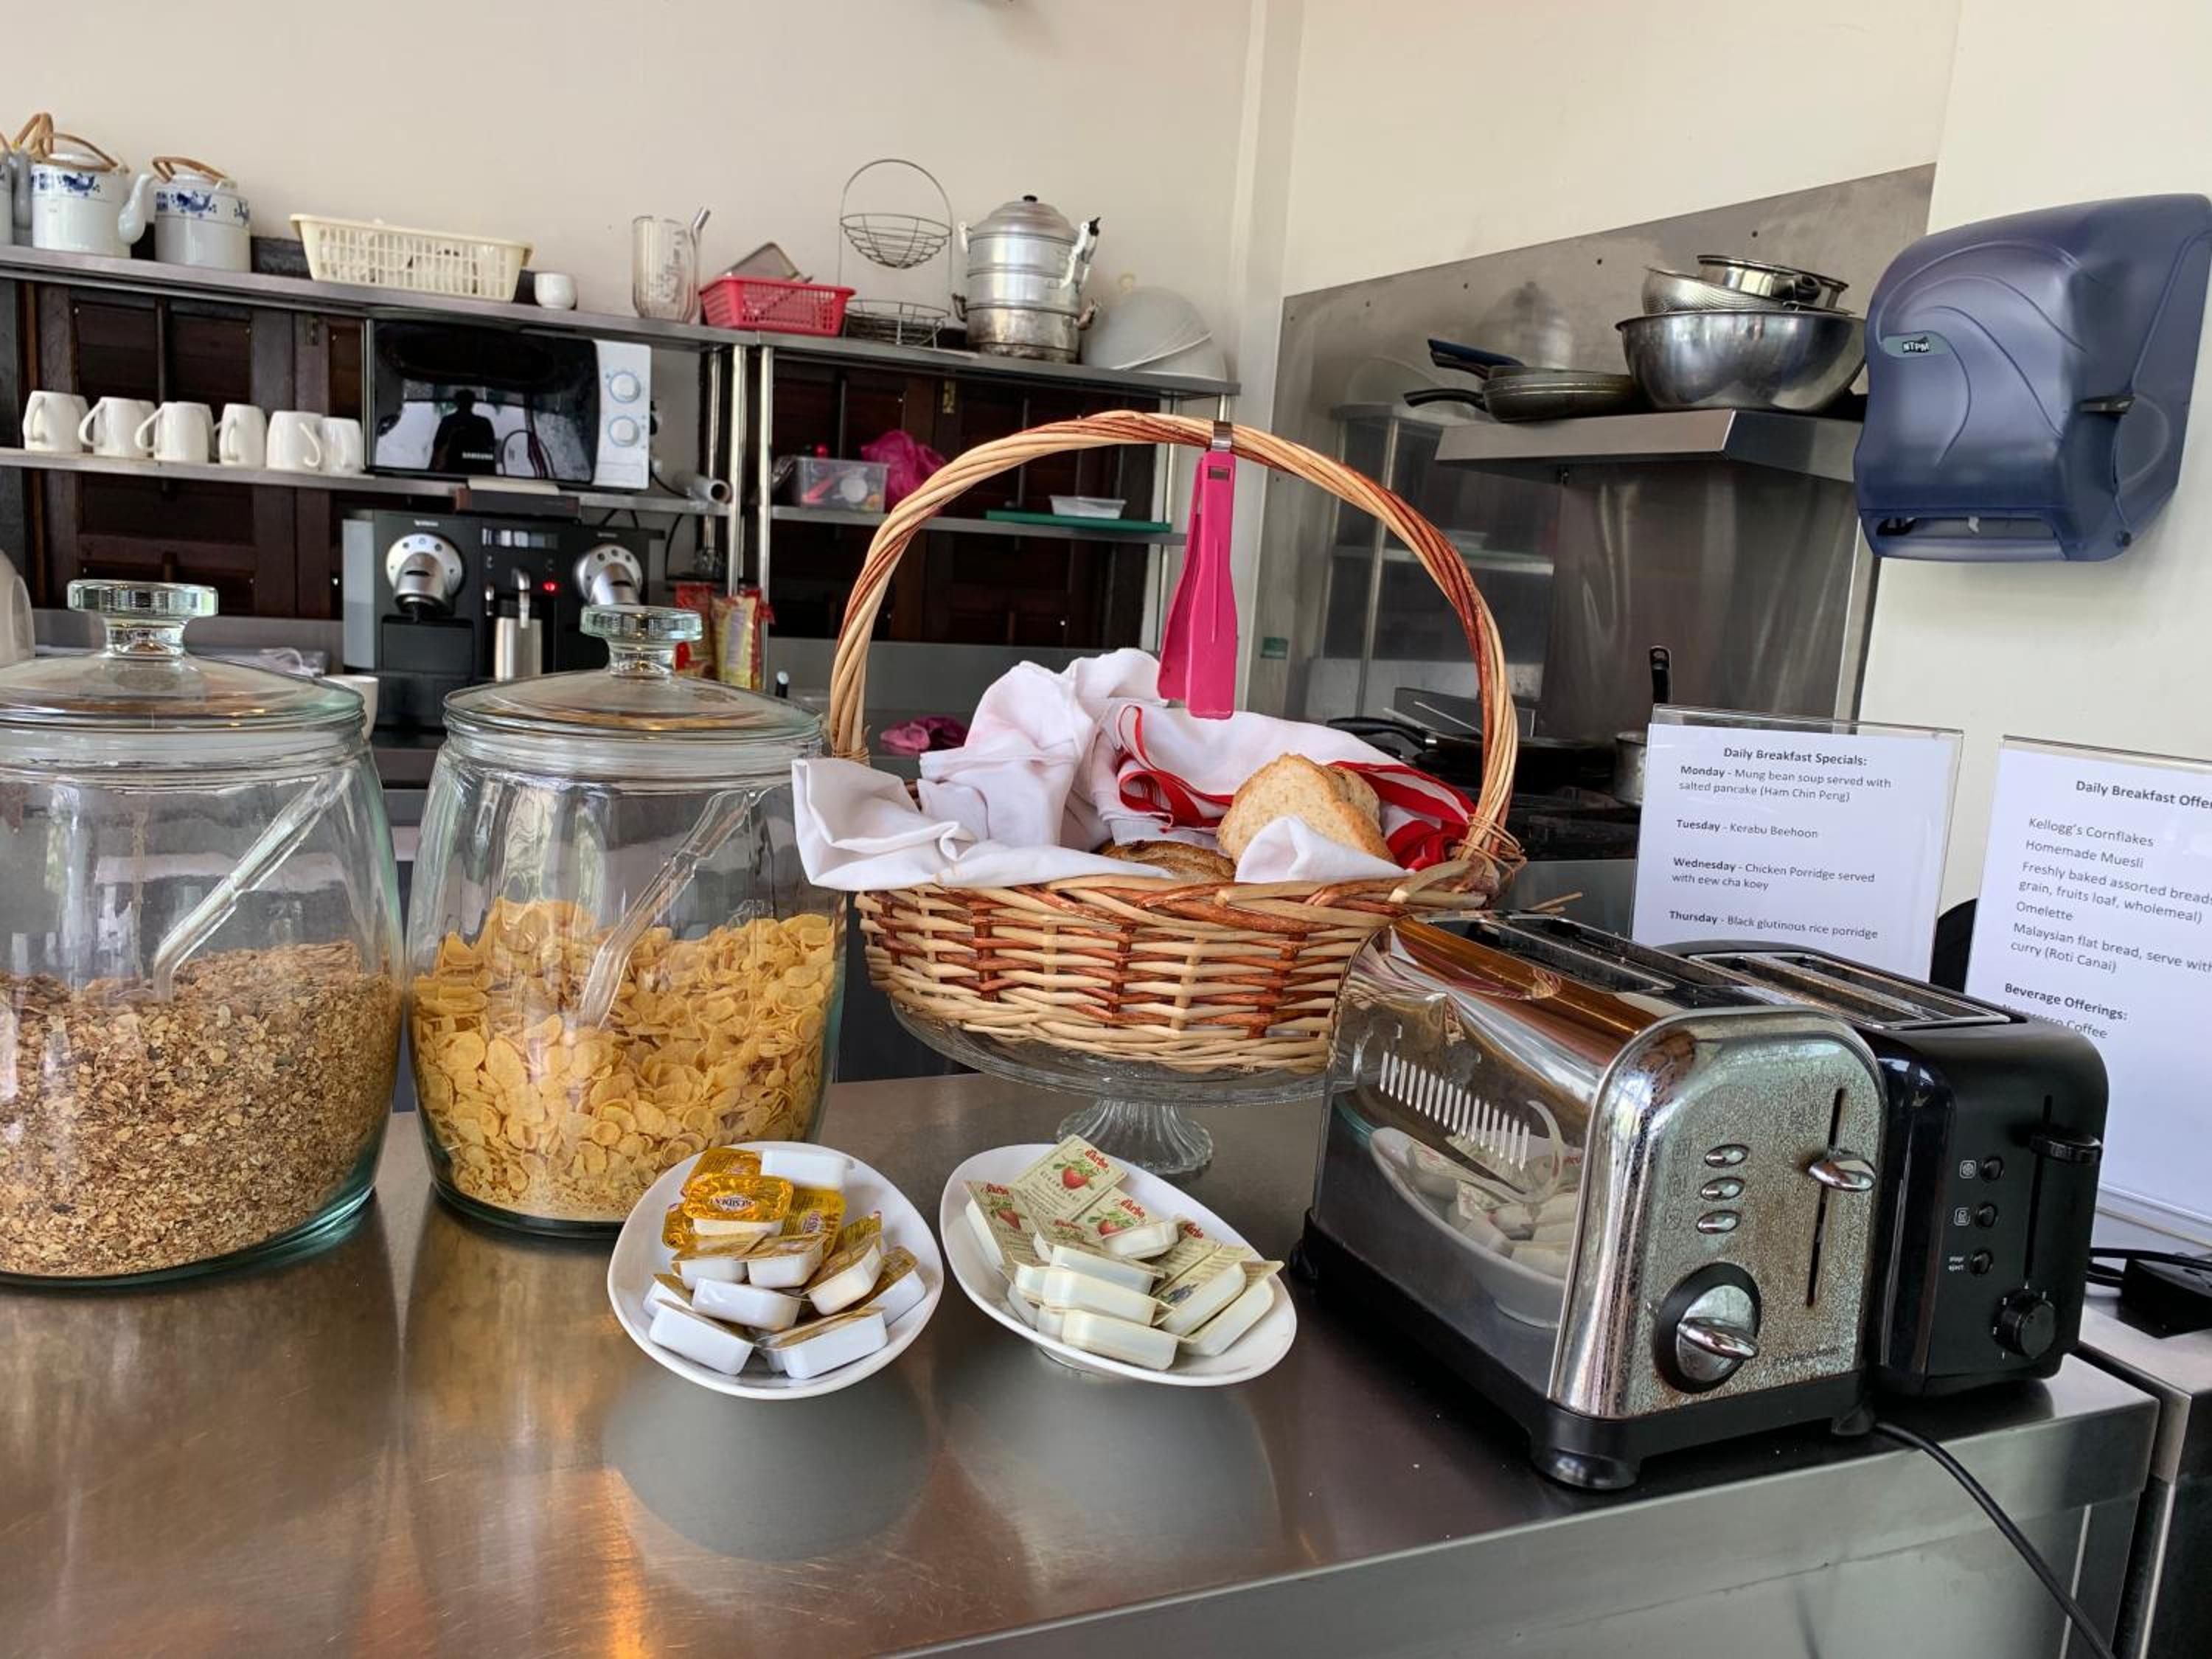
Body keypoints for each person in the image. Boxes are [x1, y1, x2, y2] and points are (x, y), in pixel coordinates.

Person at [430, 389, 498, 475]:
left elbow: (437, 447)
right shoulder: (484, 422)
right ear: (472, 403)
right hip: (478, 470)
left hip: (451, 469)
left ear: (457, 403)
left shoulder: (448, 421)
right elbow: (491, 448)